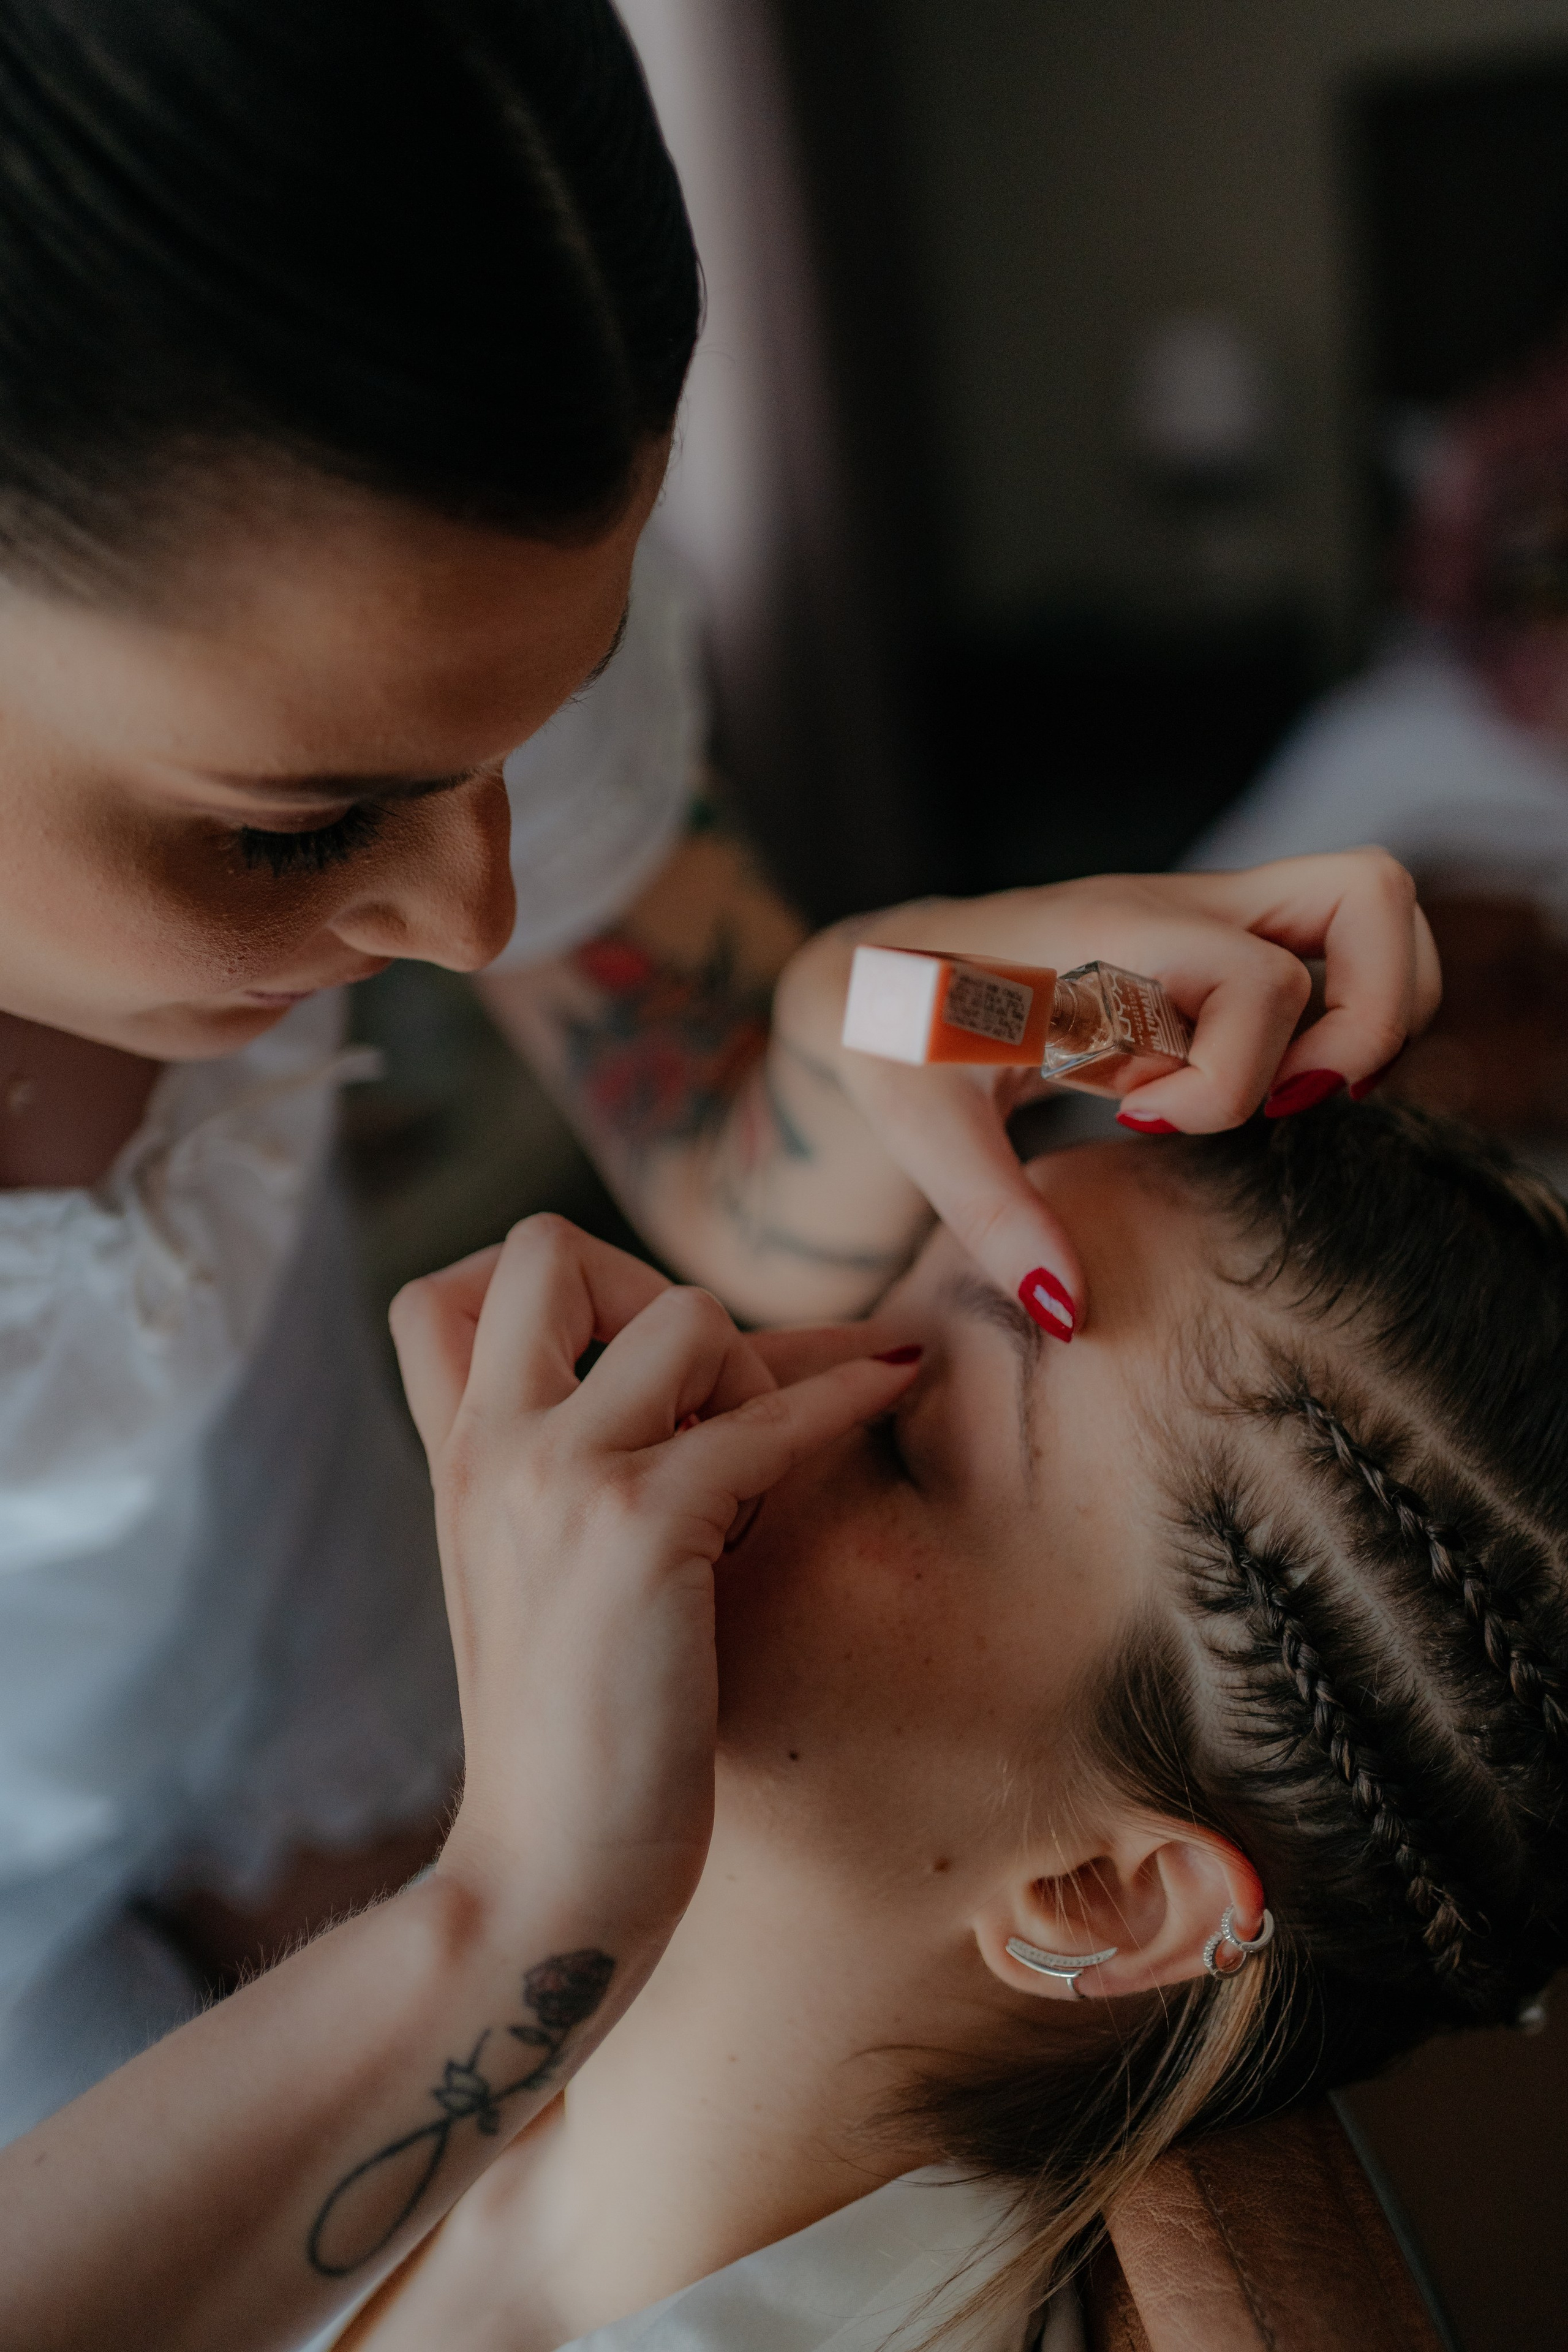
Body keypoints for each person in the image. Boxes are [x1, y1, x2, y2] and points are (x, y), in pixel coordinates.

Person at [0, 0, 1441, 2143]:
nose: (482, 922)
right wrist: (491, 1943)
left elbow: (718, 1154)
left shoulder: (410, 576)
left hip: (268, 1703)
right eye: (294, 829)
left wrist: (880, 1002)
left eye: (539, 726)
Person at [2, 1097, 1562, 2351]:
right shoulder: (458, 2122)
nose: (734, 1364)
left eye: (902, 1438)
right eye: (875, 1319)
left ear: (1106, 1895)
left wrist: (515, 1904)